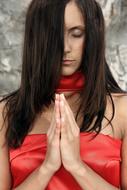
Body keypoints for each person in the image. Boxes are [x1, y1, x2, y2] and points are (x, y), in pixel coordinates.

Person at [0, 0, 127, 189]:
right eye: (54, 35)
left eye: (77, 34)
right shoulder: (5, 113)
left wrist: (77, 166)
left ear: (92, 36)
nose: (65, 47)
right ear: (37, 38)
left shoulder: (123, 109)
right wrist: (47, 168)